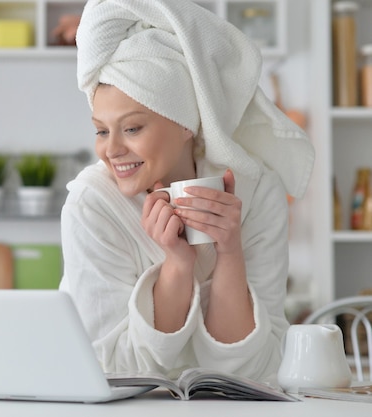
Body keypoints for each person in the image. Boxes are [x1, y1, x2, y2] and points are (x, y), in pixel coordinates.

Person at [59, 0, 315, 383]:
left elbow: (254, 368)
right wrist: (177, 265)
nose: (111, 149)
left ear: (186, 124)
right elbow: (109, 368)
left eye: (131, 129)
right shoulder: (93, 203)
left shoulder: (257, 193)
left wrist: (229, 251)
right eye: (101, 129)